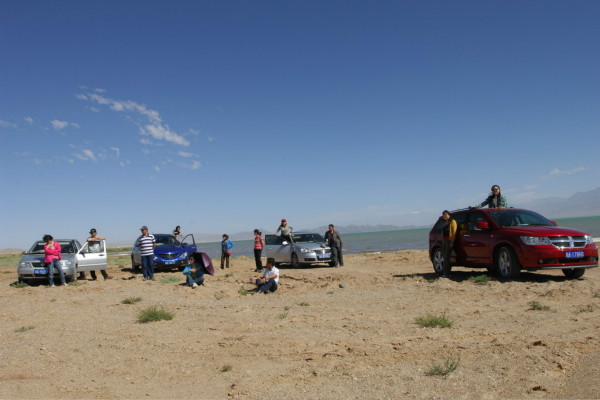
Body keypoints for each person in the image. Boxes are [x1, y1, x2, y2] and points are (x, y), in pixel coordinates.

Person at [441, 210, 457, 278]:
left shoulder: (452, 221)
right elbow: (442, 233)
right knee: (444, 257)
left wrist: (452, 242)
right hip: (444, 241)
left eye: (446, 214)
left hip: (449, 241)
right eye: (443, 215)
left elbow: (454, 232)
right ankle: (447, 273)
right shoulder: (444, 223)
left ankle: (446, 274)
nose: (445, 216)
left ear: (449, 215)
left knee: (447, 257)